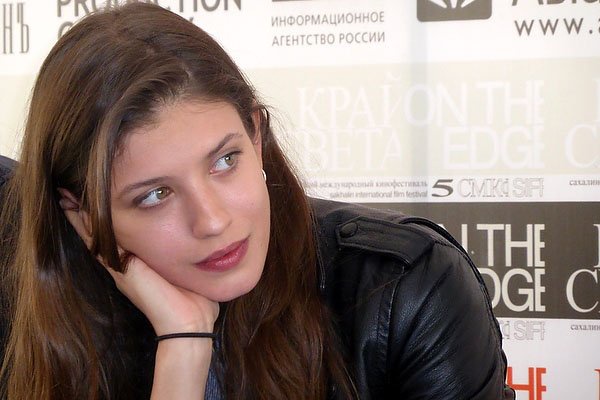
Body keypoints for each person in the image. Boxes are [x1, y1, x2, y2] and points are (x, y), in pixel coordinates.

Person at [0, 3, 515, 399]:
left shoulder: (407, 289)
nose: (212, 220)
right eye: (155, 195)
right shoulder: (28, 316)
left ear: (255, 132)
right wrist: (183, 352)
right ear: (82, 213)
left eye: (225, 161)